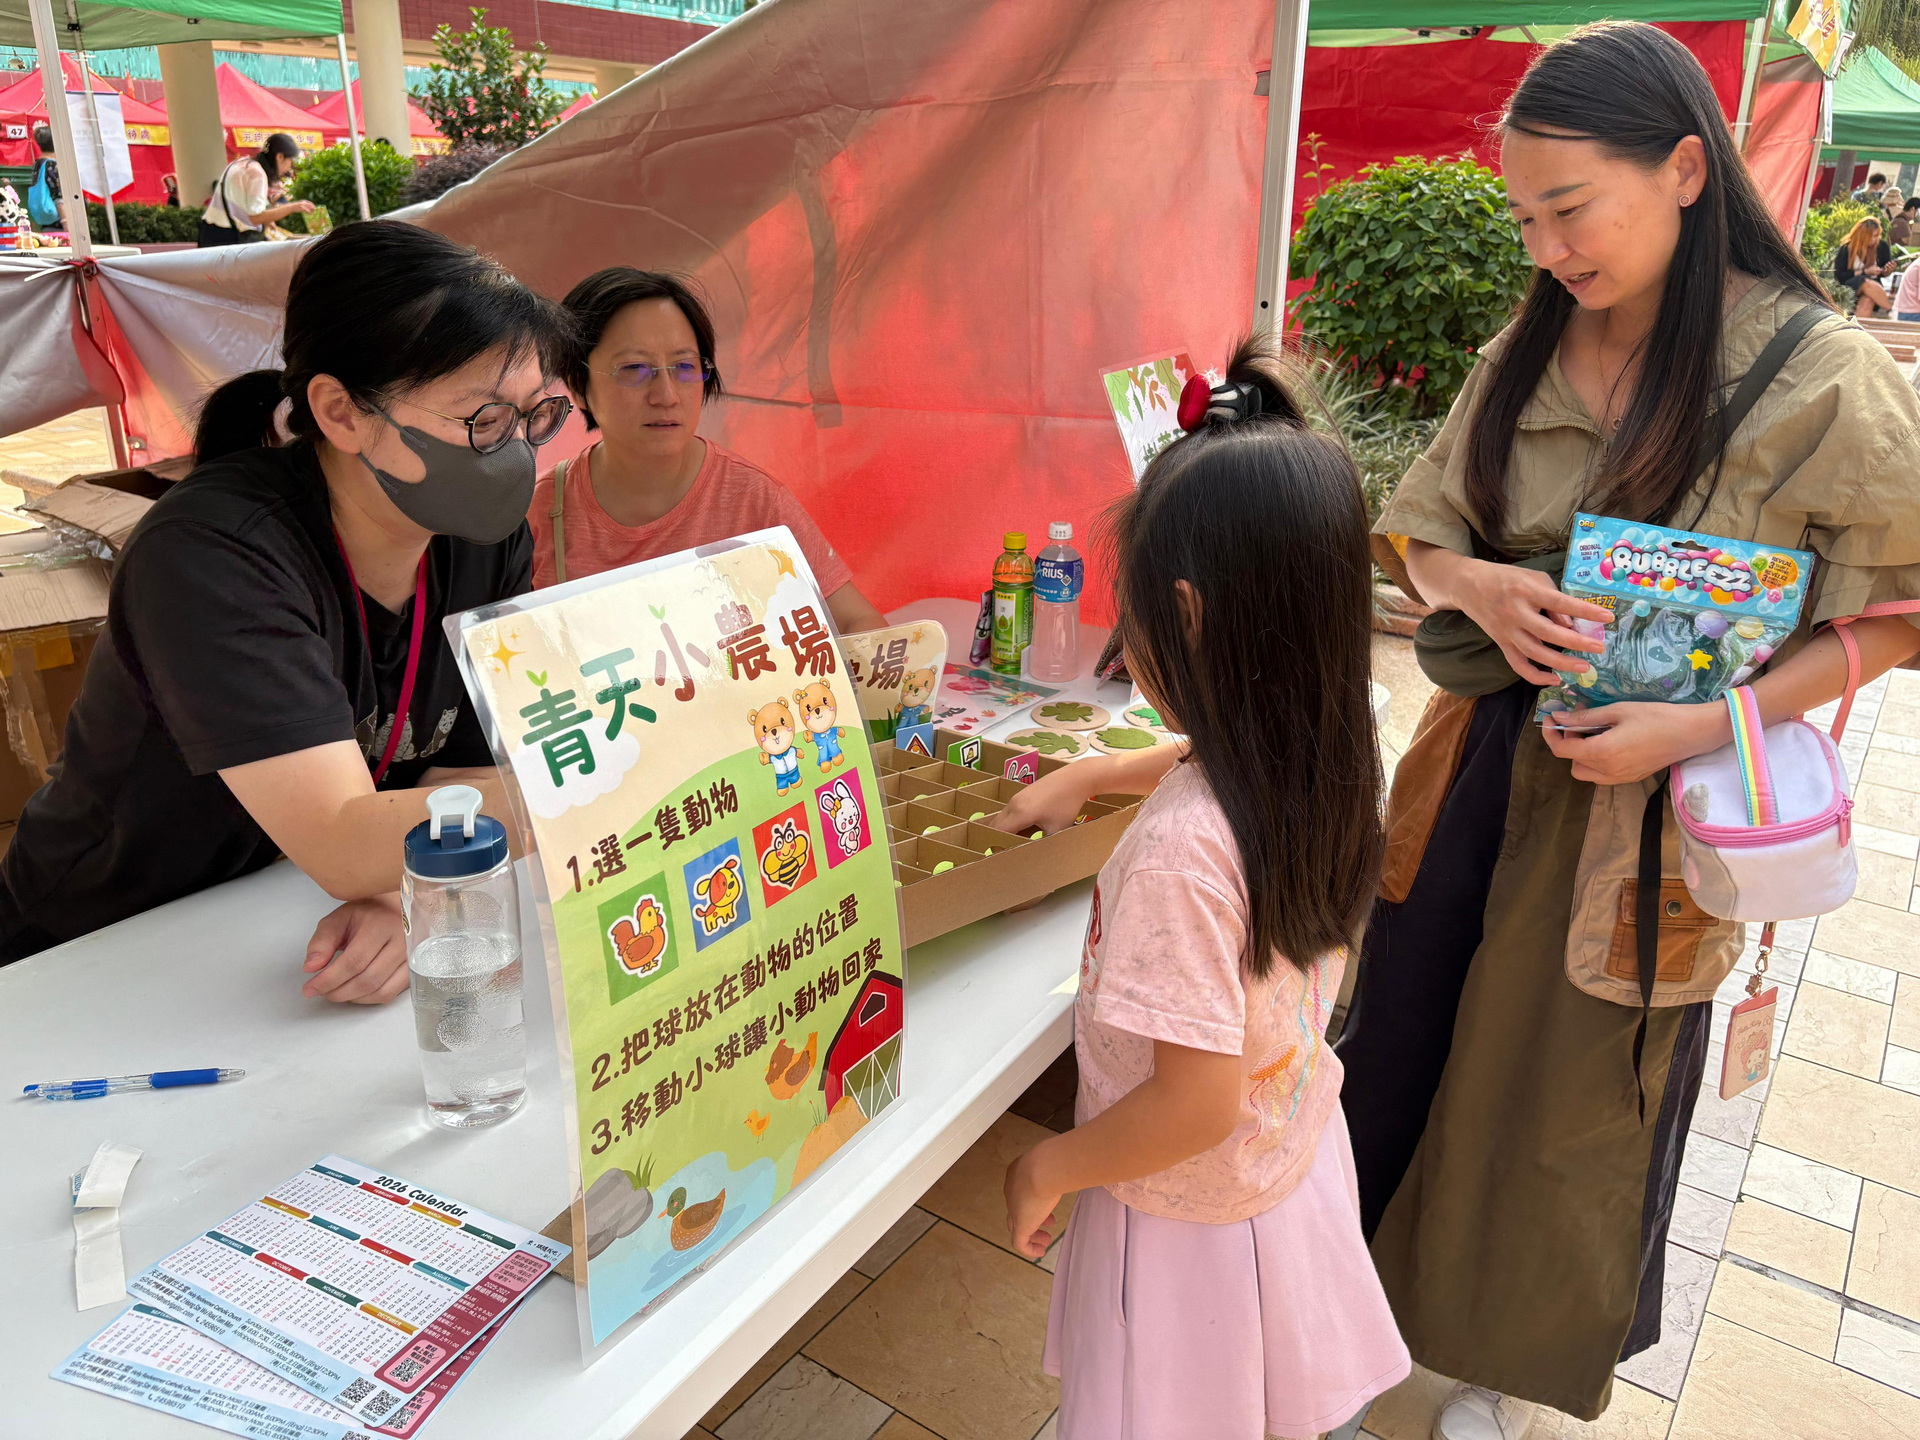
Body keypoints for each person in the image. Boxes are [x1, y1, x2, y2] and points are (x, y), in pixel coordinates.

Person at [1348, 23, 1920, 1437]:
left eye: (1570, 209)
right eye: (1524, 219)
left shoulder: (1822, 376)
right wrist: (1478, 585)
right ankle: (1341, 1337)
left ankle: (1490, 1372)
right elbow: (1420, 534)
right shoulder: (1533, 344)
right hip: (1477, 771)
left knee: (1567, 1106)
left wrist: (1704, 724)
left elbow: (1899, 617)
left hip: (1655, 823)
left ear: (1684, 168)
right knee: (1399, 1046)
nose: (1547, 249)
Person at [997, 342, 1409, 1440]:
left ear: (1183, 615)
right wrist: (1092, 775)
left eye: (1126, 618)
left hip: (1184, 1217)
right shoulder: (1331, 742)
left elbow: (1190, 1106)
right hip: (1284, 1162)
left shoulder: (1183, 860)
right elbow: (1201, 758)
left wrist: (1048, 1165)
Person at [0, 221, 575, 1002]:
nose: (515, 451)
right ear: (341, 412)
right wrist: (605, 787)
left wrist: (397, 884)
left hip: (289, 922)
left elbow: (466, 764)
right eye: (483, 420)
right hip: (99, 948)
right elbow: (341, 832)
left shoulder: (481, 539)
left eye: (534, 415)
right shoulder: (213, 554)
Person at [531, 268, 886, 633]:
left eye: (684, 367)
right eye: (635, 368)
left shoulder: (753, 501)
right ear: (578, 385)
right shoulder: (541, 510)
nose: (666, 395)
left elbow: (859, 622)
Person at [197, 132, 313, 247]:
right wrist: (293, 207)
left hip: (210, 232)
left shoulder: (242, 163)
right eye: (290, 162)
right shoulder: (257, 173)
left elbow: (244, 206)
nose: (289, 169)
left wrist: (267, 219)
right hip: (228, 237)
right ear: (280, 157)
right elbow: (255, 217)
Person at [1834, 216, 1893, 316]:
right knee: (1865, 281)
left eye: (1876, 235)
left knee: (1867, 301)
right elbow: (1840, 276)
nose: (1874, 239)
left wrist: (1887, 270)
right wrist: (1865, 271)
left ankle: (1858, 326)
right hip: (1850, 286)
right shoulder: (1847, 248)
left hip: (1875, 287)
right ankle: (1891, 311)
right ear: (1862, 235)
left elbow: (1883, 271)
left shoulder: (1882, 246)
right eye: (1871, 236)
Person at [25, 124, 59, 230]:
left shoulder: (38, 164)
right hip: (58, 222)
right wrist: (65, 220)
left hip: (44, 222)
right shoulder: (52, 165)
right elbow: (58, 195)